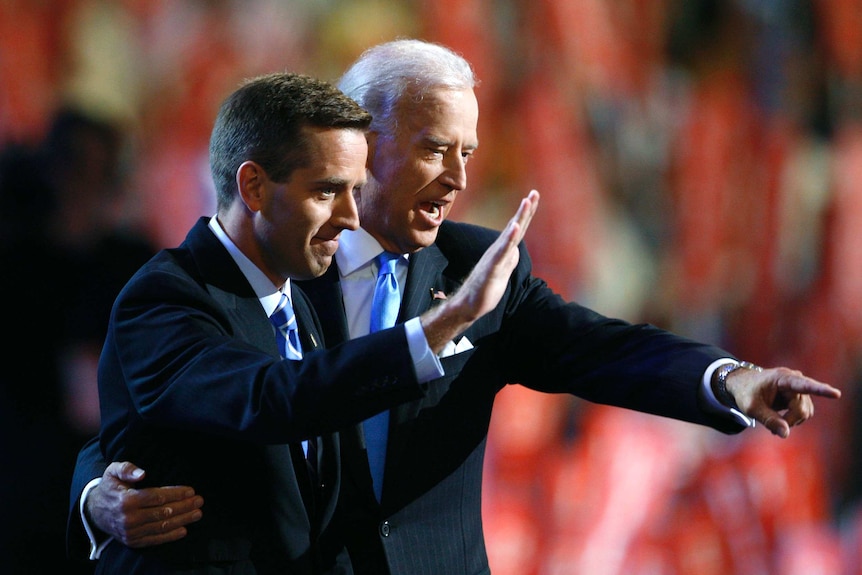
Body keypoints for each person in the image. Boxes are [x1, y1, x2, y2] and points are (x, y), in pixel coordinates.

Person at [73, 40, 840, 575]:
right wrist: (95, 495)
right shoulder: (266, 266)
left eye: (469, 154)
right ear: (364, 142)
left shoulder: (476, 267)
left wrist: (729, 380)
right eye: (439, 148)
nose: (458, 178)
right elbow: (169, 406)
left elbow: (599, 349)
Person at [71, 69, 539, 574]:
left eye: (355, 190)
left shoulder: (307, 302)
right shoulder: (165, 299)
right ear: (253, 186)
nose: (351, 217)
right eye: (326, 192)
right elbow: (272, 398)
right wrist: (445, 322)